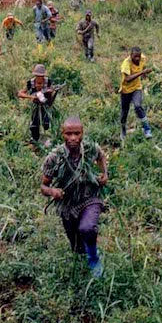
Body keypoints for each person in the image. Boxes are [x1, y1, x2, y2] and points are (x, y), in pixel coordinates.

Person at [40, 116, 108, 277]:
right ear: (62, 134)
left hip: (90, 196)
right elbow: (43, 186)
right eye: (68, 134)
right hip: (68, 203)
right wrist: (53, 192)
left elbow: (101, 157)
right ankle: (83, 260)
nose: (73, 138)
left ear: (82, 133)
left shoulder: (90, 148)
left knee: (87, 227)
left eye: (77, 133)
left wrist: (105, 174)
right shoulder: (54, 158)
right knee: (77, 246)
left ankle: (94, 258)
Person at [19, 64, 61, 145]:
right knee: (35, 124)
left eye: (41, 75)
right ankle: (35, 141)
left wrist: (50, 93)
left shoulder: (48, 81)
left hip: (46, 105)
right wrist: (31, 97)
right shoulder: (30, 82)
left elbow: (52, 93)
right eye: (37, 75)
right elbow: (20, 93)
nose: (39, 77)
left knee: (46, 123)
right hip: (35, 105)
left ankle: (48, 138)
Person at [119, 47, 153, 141]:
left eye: (138, 56)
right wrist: (142, 72)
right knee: (124, 111)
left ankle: (147, 129)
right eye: (135, 57)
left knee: (138, 106)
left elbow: (143, 66)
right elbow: (127, 79)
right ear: (131, 56)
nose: (137, 58)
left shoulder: (143, 58)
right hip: (126, 90)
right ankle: (123, 130)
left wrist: (145, 73)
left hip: (136, 88)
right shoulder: (126, 63)